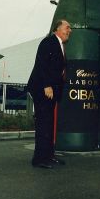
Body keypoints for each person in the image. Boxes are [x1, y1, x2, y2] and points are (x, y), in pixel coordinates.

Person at [27, 19, 71, 169]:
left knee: (49, 124)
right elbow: (41, 64)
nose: (69, 30)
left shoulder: (60, 45)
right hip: (42, 89)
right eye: (67, 27)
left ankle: (49, 156)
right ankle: (39, 159)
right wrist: (47, 85)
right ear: (57, 29)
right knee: (43, 124)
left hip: (51, 91)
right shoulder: (48, 42)